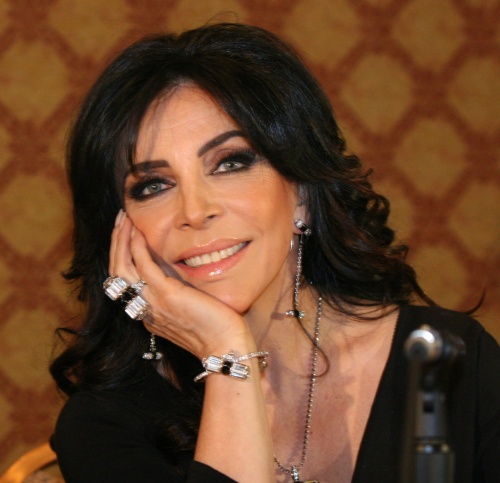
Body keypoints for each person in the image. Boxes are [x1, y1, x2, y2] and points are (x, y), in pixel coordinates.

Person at [49, 23, 500, 483]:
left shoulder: (448, 362)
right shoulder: (103, 426)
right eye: (153, 186)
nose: (195, 211)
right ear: (120, 230)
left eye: (230, 163)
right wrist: (227, 354)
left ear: (301, 190)